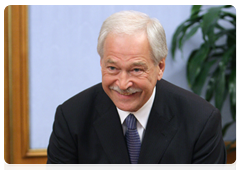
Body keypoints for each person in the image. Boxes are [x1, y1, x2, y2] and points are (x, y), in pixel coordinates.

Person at [46, 10, 226, 170]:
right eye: (112, 68)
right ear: (101, 63)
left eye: (136, 70)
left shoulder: (200, 121)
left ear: (160, 67)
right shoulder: (71, 118)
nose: (123, 84)